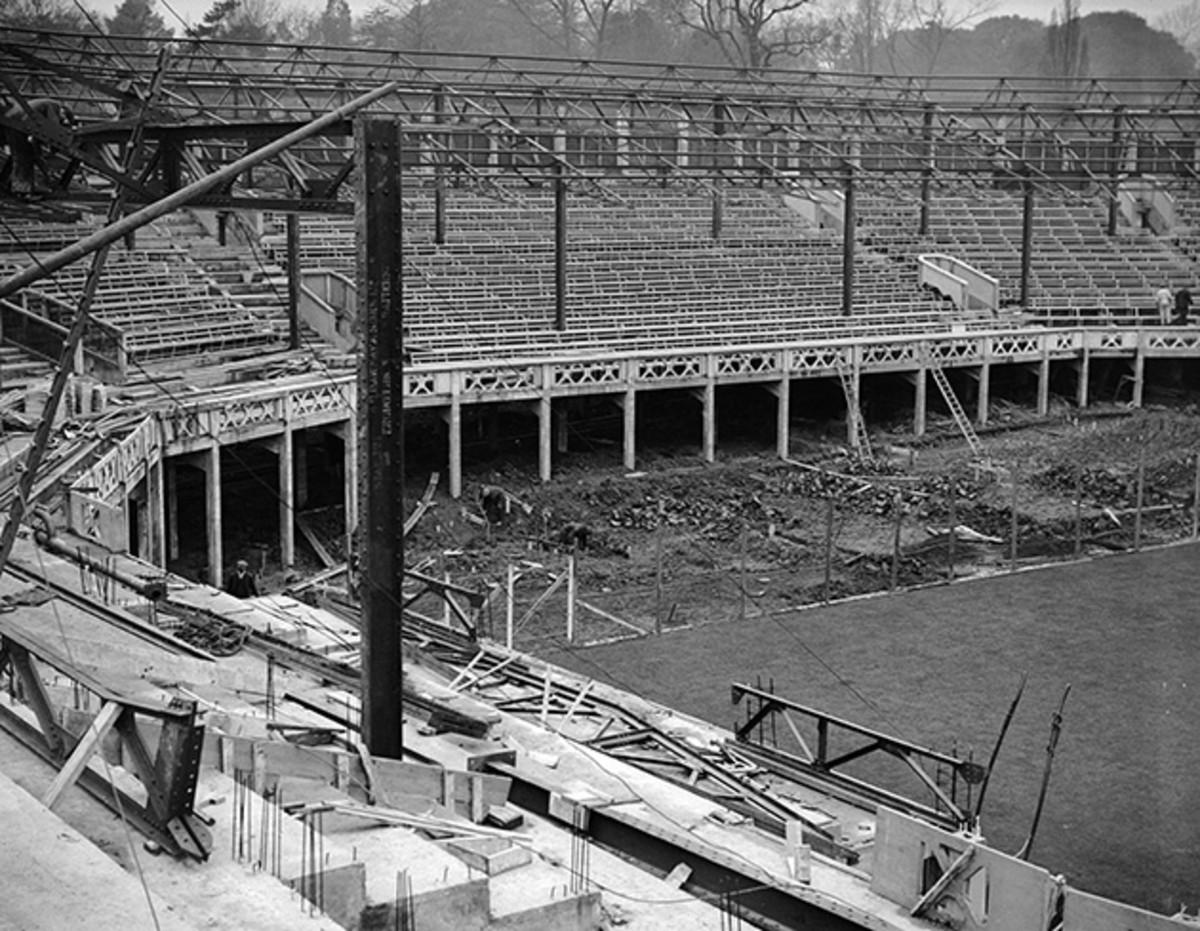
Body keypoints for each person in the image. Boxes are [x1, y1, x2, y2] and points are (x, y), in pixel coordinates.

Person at [2, 97, 76, 198]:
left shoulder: (43, 104)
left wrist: (41, 155)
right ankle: (22, 191)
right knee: (23, 157)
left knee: (21, 154)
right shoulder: (54, 106)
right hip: (17, 124)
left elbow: (38, 140)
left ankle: (15, 185)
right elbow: (54, 129)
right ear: (64, 112)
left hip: (13, 121)